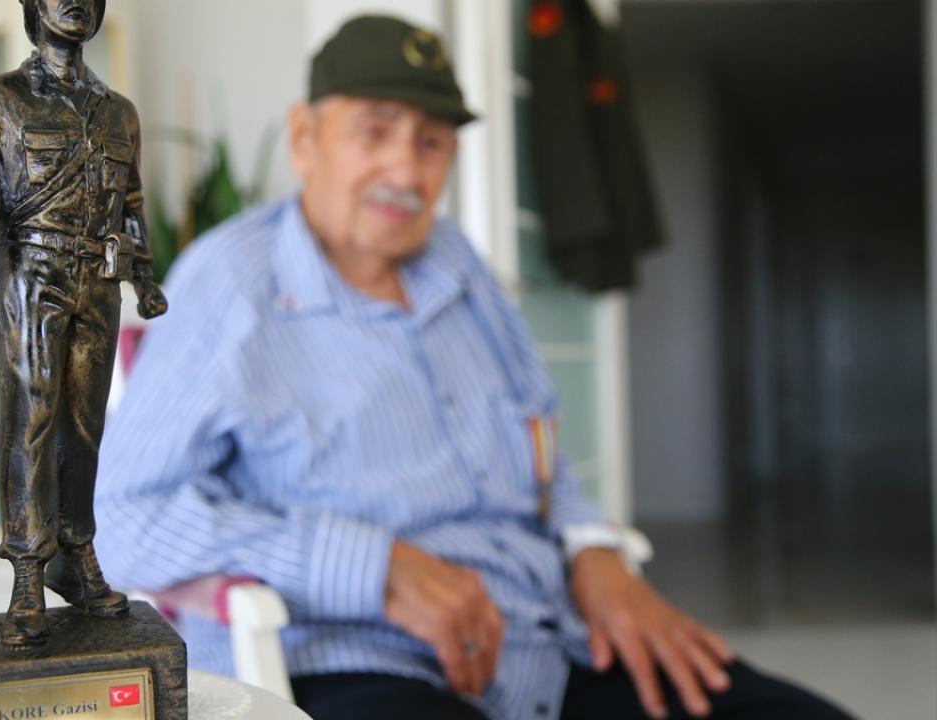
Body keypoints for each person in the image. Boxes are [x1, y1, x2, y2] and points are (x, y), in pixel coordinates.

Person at [93, 14, 852, 720]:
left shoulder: (458, 265)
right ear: (305, 137)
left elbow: (541, 450)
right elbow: (122, 520)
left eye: (431, 142)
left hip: (545, 643)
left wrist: (596, 551)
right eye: (375, 131)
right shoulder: (229, 282)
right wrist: (375, 567)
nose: (405, 169)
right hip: (352, 659)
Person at [0, 0, 168, 649]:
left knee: (85, 425)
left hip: (99, 284)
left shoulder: (119, 112)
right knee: (32, 418)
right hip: (32, 274)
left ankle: (75, 557)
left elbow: (131, 201)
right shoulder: (2, 98)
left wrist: (144, 276)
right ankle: (27, 570)